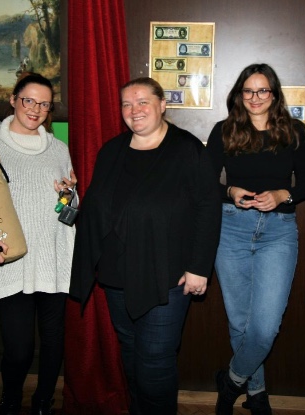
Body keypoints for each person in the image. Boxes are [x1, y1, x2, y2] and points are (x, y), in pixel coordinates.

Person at [70, 77, 220, 414]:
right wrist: (69, 202)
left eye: (142, 102)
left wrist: (199, 267)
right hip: (116, 273)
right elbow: (98, 206)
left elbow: (208, 209)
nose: (133, 110)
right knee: (131, 350)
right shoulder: (111, 151)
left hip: (167, 274)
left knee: (155, 360)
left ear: (162, 105)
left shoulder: (187, 149)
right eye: (126, 103)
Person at [0, 73, 75, 415]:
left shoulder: (59, 150)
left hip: (52, 259)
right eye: (29, 100)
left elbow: (67, 210)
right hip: (11, 262)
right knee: (18, 349)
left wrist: (68, 196)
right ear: (13, 100)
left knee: (53, 343)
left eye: (44, 104)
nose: (35, 109)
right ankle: (10, 402)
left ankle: (43, 402)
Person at [206, 63, 305, 415]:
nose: (255, 97)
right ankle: (257, 393)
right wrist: (230, 191)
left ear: (274, 94)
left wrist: (283, 194)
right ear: (239, 95)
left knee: (265, 326)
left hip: (278, 232)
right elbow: (204, 183)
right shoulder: (224, 130)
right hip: (231, 229)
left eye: (262, 90)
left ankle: (230, 381)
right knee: (240, 321)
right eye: (248, 91)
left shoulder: (294, 131)